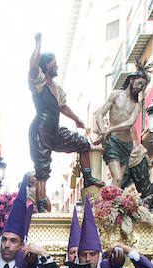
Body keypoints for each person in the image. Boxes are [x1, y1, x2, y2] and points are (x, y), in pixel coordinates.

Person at [28, 32, 102, 206]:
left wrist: (76, 119)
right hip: (40, 129)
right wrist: (38, 42)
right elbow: (32, 66)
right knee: (42, 168)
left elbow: (63, 107)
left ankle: (89, 178)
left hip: (54, 130)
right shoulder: (38, 82)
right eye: (54, 64)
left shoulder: (57, 88)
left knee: (83, 143)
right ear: (46, 65)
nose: (57, 67)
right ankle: (40, 204)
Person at [93, 68, 150, 185]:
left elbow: (129, 123)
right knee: (117, 178)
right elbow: (99, 114)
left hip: (126, 146)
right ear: (132, 80)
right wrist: (103, 132)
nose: (140, 87)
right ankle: (109, 203)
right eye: (139, 83)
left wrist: (110, 129)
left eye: (143, 86)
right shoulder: (116, 95)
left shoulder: (137, 105)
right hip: (112, 142)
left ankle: (113, 202)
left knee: (119, 182)